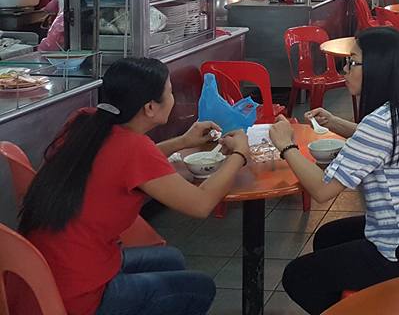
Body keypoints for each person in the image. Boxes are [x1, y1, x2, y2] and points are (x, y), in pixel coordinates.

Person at [20, 58, 250, 315]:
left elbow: (128, 165)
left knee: (171, 259)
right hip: (78, 295)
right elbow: (201, 204)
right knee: (200, 287)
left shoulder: (86, 121)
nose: (173, 98)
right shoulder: (133, 148)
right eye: (170, 92)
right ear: (150, 107)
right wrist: (240, 155)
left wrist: (183, 141)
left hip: (40, 273)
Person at [271, 28, 399, 313]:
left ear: (378, 69)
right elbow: (382, 143)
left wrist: (286, 146)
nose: (344, 70)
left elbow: (322, 190)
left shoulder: (380, 123)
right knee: (327, 236)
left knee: (298, 276)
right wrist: (335, 122)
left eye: (352, 63)